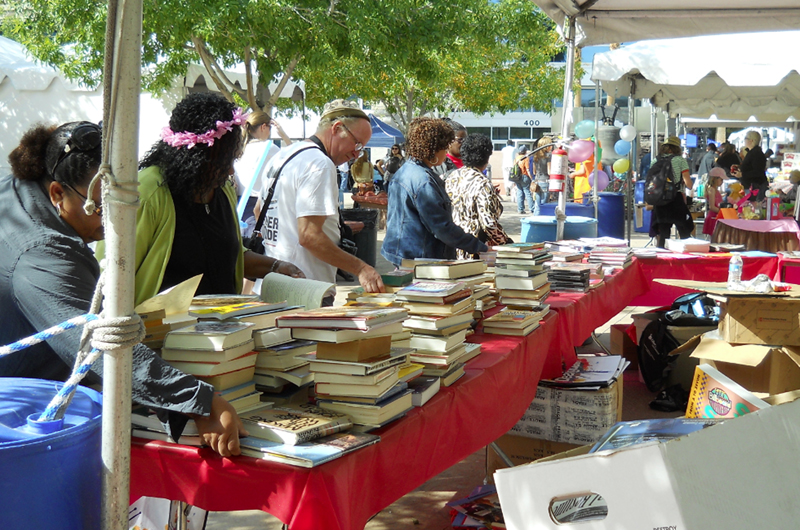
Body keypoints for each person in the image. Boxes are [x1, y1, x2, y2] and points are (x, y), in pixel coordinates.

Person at [0, 121, 245, 456]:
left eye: (127, 205)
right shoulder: (44, 251)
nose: (116, 221)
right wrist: (199, 400)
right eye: (102, 207)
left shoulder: (17, 188)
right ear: (57, 193)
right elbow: (97, 345)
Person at [103, 92, 304, 307]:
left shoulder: (222, 189)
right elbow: (111, 275)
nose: (229, 171)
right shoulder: (148, 193)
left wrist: (275, 266)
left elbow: (227, 255)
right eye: (221, 161)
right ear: (194, 156)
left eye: (232, 159)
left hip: (224, 329)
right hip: (162, 334)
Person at [255, 98, 384, 293]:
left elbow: (260, 211)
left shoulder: (284, 155)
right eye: (357, 144)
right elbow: (309, 236)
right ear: (337, 128)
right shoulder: (319, 163)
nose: (357, 154)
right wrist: (361, 268)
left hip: (272, 285)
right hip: (305, 293)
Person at [381, 117, 488, 267]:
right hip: (420, 257)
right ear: (432, 149)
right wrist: (479, 247)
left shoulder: (405, 170)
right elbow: (441, 227)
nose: (446, 153)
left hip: (404, 253)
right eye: (444, 148)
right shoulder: (423, 181)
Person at [445, 133, 512, 258]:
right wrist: (506, 242)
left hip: (452, 243)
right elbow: (489, 223)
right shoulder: (482, 182)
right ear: (486, 157)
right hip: (473, 247)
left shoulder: (451, 177)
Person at [233, 111, 290, 221]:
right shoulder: (268, 148)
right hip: (258, 206)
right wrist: (283, 135)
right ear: (263, 127)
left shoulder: (240, 149)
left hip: (240, 206)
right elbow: (296, 157)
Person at [650, 136, 694, 248]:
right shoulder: (680, 160)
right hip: (676, 199)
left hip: (660, 200)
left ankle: (661, 260)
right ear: (676, 148)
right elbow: (689, 184)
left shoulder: (655, 160)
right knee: (684, 231)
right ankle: (687, 258)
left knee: (663, 233)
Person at [732, 130, 769, 201]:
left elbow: (757, 171)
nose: (744, 140)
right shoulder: (753, 152)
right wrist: (739, 168)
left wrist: (742, 174)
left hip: (755, 187)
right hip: (752, 186)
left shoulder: (756, 153)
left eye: (746, 138)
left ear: (751, 140)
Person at [702, 167, 726, 237]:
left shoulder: (716, 190)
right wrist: (723, 212)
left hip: (717, 216)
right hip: (713, 217)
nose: (722, 182)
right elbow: (712, 207)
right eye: (721, 180)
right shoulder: (712, 190)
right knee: (714, 240)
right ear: (715, 179)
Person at [532, 137, 554, 212]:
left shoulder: (535, 156)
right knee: (544, 205)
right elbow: (549, 171)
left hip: (537, 181)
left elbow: (534, 171)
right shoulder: (548, 156)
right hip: (545, 181)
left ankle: (535, 218)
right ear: (547, 146)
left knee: (537, 204)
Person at [514, 145, 535, 214]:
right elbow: (527, 169)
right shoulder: (525, 158)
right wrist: (531, 178)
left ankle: (520, 209)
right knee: (527, 192)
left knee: (519, 192)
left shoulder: (516, 158)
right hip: (524, 176)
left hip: (517, 177)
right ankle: (532, 208)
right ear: (525, 151)